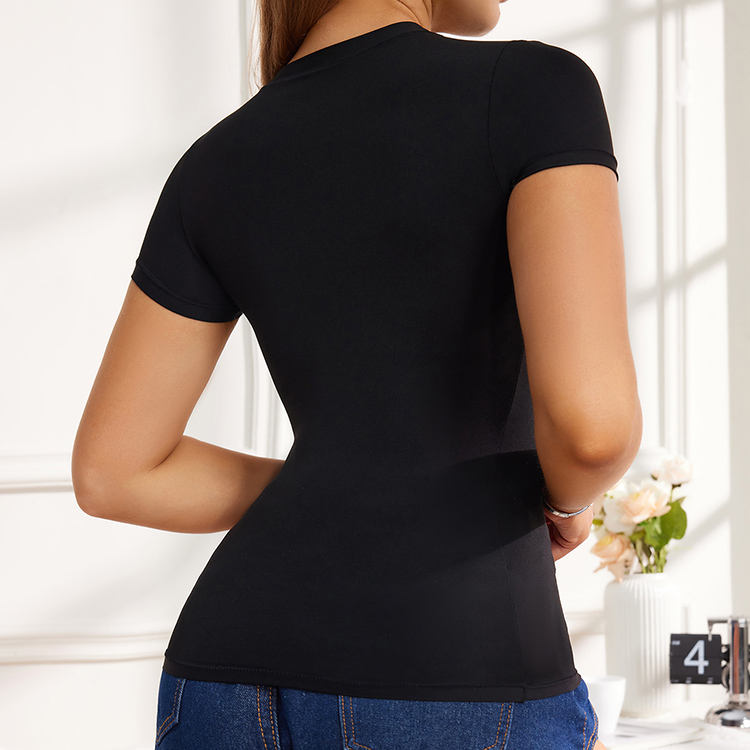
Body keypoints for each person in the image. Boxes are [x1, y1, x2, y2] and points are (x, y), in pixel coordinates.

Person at [72, 0, 642, 746]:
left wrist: (345, 486)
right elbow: (594, 432)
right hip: (458, 675)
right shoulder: (535, 87)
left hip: (221, 678)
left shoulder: (219, 156)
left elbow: (116, 471)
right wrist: (568, 506)